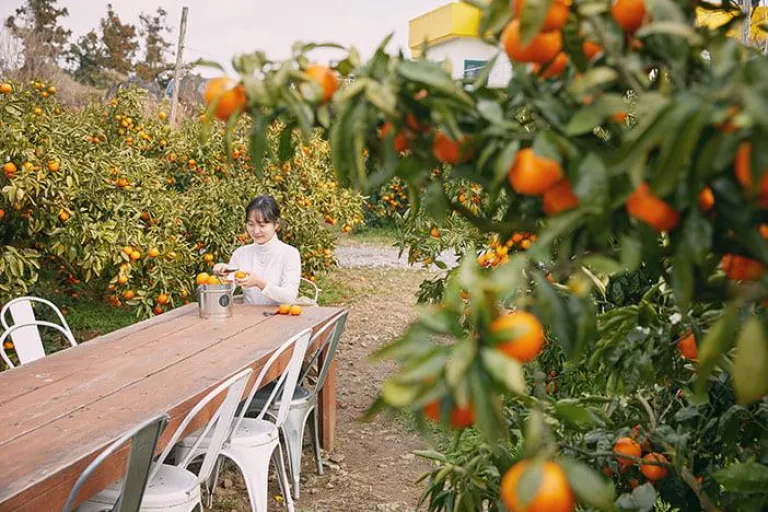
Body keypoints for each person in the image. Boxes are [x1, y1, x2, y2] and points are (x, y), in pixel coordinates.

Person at [213, 196, 301, 305]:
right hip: (249, 319)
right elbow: (225, 292)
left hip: (280, 318)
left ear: (276, 224)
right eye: (250, 224)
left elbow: (289, 297)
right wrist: (222, 275)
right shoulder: (241, 254)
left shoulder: (289, 254)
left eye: (262, 225)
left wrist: (260, 283)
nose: (256, 231)